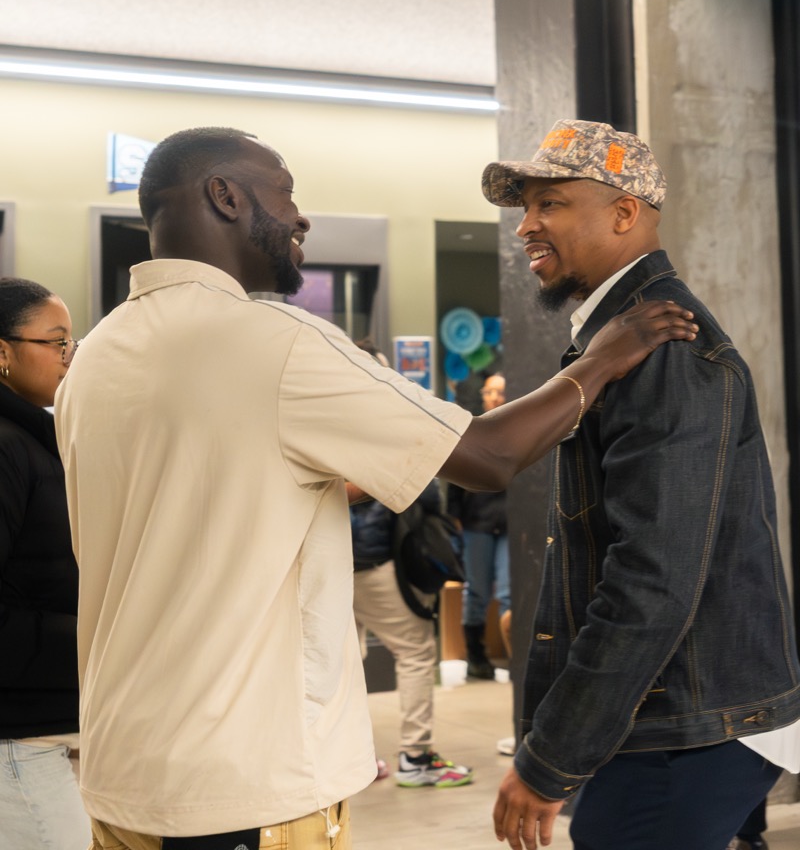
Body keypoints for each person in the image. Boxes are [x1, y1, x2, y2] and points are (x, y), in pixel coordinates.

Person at [54, 125, 697, 850]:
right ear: (225, 197)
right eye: (285, 193)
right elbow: (487, 455)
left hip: (123, 774)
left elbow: (202, 507)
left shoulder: (97, 355)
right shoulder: (277, 342)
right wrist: (603, 358)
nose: (299, 217)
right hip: (246, 782)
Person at [483, 119, 800, 850]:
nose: (526, 226)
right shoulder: (619, 339)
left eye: (550, 203)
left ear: (625, 213)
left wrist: (550, 757)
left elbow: (652, 580)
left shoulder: (665, 350)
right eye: (525, 208)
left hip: (683, 731)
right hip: (670, 722)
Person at [349, 337, 472, 789]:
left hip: (331, 561)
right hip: (377, 559)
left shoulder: (323, 418)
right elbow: (423, 488)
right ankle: (415, 758)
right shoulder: (383, 423)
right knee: (417, 652)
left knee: (342, 662)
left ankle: (351, 760)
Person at [0, 277, 88, 850]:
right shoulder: (8, 445)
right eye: (56, 341)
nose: (69, 355)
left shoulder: (33, 436)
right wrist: (90, 641)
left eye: (71, 342)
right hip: (13, 733)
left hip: (34, 724)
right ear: (2, 352)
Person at [447, 373, 511, 680]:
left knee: (510, 591)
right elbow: (455, 478)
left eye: (500, 391)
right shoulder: (469, 428)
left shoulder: (519, 426)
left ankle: (515, 658)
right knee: (476, 591)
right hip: (476, 522)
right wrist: (454, 517)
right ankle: (475, 657)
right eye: (489, 392)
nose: (495, 397)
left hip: (511, 523)